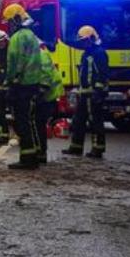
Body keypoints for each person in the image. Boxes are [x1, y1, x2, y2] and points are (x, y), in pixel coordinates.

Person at [3, 3, 43, 170]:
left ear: (17, 19)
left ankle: (27, 159)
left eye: (10, 22)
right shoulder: (32, 35)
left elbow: (15, 63)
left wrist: (9, 81)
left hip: (20, 86)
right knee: (29, 121)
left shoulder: (17, 38)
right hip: (33, 84)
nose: (9, 26)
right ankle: (33, 155)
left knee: (21, 123)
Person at [62, 25, 110, 159]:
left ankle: (97, 149)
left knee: (95, 122)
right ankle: (76, 147)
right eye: (81, 41)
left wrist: (98, 91)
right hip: (84, 93)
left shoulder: (99, 53)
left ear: (91, 39)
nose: (83, 43)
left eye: (84, 40)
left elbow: (103, 74)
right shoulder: (87, 54)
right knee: (78, 121)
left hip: (93, 94)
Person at [35, 40, 64, 164]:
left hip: (47, 96)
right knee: (39, 125)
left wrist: (40, 92)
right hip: (48, 95)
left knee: (39, 124)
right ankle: (40, 152)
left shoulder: (40, 55)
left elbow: (46, 76)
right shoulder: (40, 54)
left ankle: (41, 153)